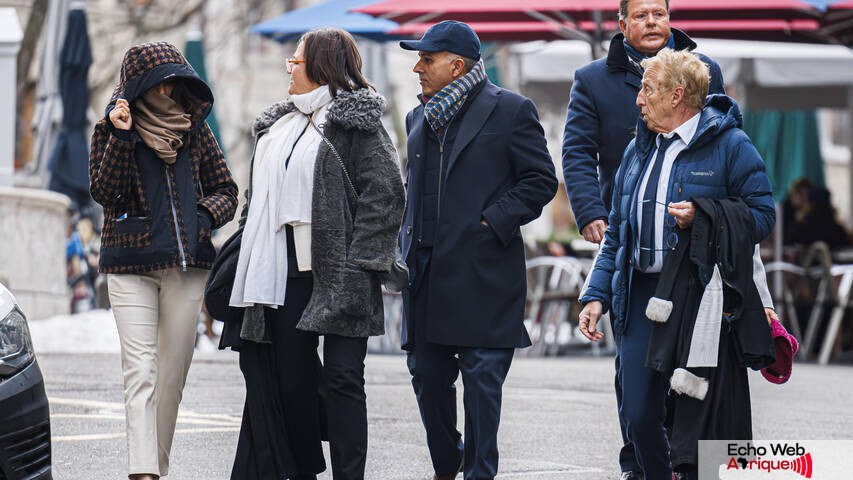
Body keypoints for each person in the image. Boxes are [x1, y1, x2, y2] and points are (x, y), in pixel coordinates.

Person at [561, 2, 776, 477]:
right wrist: (595, 295)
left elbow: (762, 215)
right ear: (623, 24)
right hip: (640, 292)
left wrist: (706, 216)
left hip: (701, 296)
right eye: (641, 15)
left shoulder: (730, 145)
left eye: (647, 90)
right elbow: (618, 228)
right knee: (638, 412)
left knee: (698, 416)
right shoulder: (638, 148)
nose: (637, 100)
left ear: (678, 95)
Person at [222, 28, 405, 480]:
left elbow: (386, 194)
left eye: (296, 60)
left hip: (342, 271)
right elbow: (255, 201)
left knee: (343, 381)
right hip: (283, 272)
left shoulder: (356, 124)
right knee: (293, 382)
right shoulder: (276, 128)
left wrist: (359, 263)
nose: (289, 66)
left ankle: (349, 474)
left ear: (321, 66)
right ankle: (303, 470)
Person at [398, 21, 558, 480]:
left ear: (456, 65)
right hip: (425, 276)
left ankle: (480, 472)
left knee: (482, 388)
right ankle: (449, 465)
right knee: (427, 379)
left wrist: (491, 221)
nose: (418, 68)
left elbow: (540, 181)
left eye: (426, 60)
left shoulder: (511, 109)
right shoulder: (416, 118)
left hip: (483, 273)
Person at [89, 42, 238, 480]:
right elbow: (106, 193)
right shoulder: (112, 129)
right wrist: (120, 135)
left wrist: (201, 218)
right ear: (138, 85)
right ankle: (143, 474)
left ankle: (157, 466)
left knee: (171, 377)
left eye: (176, 80)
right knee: (141, 372)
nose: (169, 89)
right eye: (160, 81)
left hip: (186, 268)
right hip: (128, 266)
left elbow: (227, 190)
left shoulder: (195, 129)